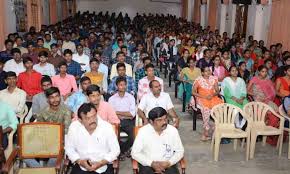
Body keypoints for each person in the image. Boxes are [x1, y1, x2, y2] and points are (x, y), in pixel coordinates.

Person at [65, 103, 120, 174]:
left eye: (94, 116)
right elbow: (69, 148)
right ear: (80, 120)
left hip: (103, 166)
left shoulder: (107, 127)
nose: (92, 120)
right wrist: (79, 161)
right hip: (81, 165)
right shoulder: (74, 127)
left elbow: (115, 150)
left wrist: (100, 163)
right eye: (88, 118)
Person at [27, 87, 72, 167]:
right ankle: (41, 170)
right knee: (25, 153)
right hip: (44, 140)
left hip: (60, 141)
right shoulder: (43, 112)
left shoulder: (66, 110)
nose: (55, 99)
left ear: (60, 97)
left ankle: (47, 170)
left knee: (54, 156)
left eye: (57, 96)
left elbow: (66, 130)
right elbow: (39, 129)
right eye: (52, 97)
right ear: (48, 99)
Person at [131, 107, 184, 174]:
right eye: (159, 120)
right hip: (148, 165)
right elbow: (135, 152)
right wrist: (152, 163)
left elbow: (180, 151)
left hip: (168, 164)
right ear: (151, 122)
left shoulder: (173, 131)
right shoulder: (143, 132)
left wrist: (169, 162)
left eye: (165, 119)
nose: (164, 122)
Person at [247, 65, 278, 145]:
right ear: (259, 72)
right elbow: (247, 90)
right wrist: (256, 95)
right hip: (257, 100)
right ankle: (258, 133)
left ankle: (268, 135)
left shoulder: (268, 81)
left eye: (266, 72)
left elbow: (273, 93)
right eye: (262, 71)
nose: (264, 73)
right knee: (260, 114)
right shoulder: (254, 79)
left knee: (275, 114)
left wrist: (267, 97)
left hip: (267, 100)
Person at [192, 66, 223, 141]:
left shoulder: (213, 79)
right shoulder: (199, 80)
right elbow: (193, 92)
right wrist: (204, 96)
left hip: (212, 97)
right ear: (202, 73)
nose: (208, 72)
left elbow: (217, 91)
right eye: (206, 71)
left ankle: (216, 129)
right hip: (201, 97)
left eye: (209, 70)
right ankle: (205, 133)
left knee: (219, 109)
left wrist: (212, 95)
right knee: (206, 109)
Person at [108, 77, 135, 160]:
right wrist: (124, 113)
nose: (123, 87)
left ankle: (121, 151)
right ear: (117, 86)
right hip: (115, 121)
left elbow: (132, 114)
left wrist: (117, 112)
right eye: (121, 85)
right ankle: (124, 151)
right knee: (112, 135)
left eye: (124, 85)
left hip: (128, 121)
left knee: (133, 136)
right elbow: (111, 114)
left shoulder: (131, 97)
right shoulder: (111, 99)